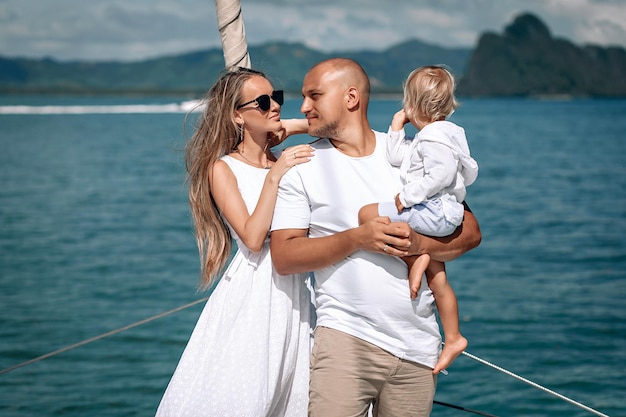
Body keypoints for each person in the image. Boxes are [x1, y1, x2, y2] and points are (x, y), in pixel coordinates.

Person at [270, 58, 481, 417]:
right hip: (345, 343)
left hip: (419, 349)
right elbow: (285, 256)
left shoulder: (411, 154)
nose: (304, 107)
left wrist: (419, 246)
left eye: (314, 95)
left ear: (351, 97)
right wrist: (358, 238)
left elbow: (471, 232)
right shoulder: (301, 165)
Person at [155, 67, 315, 417]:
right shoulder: (223, 169)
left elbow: (322, 126)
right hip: (256, 293)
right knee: (249, 394)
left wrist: (287, 129)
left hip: (298, 288)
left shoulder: (281, 158)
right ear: (236, 115)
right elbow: (253, 238)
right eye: (262, 101)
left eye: (277, 98)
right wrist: (275, 174)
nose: (273, 106)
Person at [358, 65, 478, 374]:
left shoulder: (433, 140)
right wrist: (397, 128)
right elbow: (399, 157)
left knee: (368, 215)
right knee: (439, 279)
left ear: (413, 104)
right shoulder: (440, 136)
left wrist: (407, 197)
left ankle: (418, 255)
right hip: (443, 214)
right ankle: (453, 336)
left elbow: (442, 174)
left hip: (435, 213)